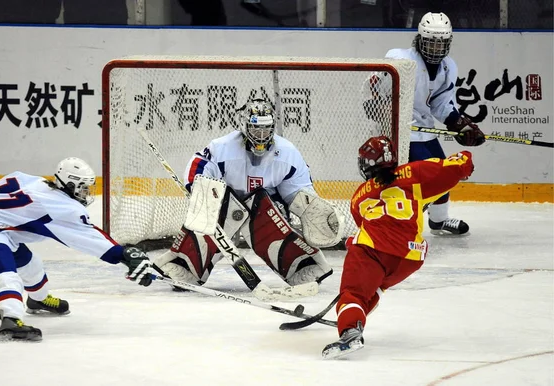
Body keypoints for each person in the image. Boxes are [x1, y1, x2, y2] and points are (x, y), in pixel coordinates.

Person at [154, 99, 345, 288]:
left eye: (266, 129)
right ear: (244, 126)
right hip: (226, 209)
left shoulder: (287, 153)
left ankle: (302, 265)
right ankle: (185, 265)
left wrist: (309, 208)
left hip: (264, 210)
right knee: (207, 214)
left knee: (274, 213)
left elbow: (298, 190)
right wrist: (199, 190)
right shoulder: (223, 147)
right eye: (255, 129)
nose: (261, 135)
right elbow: (199, 165)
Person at [0, 157, 154, 342]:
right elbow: (85, 236)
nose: (87, 193)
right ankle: (10, 320)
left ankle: (39, 300)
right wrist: (121, 254)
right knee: (7, 278)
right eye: (83, 188)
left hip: (1, 230)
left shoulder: (38, 183)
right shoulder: (58, 206)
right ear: (70, 185)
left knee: (31, 265)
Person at [321, 136, 474, 359]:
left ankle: (351, 329)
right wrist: (466, 163)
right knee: (375, 289)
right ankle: (356, 318)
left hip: (372, 250)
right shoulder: (416, 172)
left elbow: (364, 224)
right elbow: (461, 163)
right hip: (410, 257)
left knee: (354, 293)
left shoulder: (359, 195)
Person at [368, 12, 485, 235]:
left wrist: (459, 124)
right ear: (420, 39)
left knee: (445, 172)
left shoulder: (449, 67)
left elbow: (441, 103)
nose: (436, 49)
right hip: (397, 132)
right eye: (431, 43)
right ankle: (399, 220)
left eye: (441, 44)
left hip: (422, 128)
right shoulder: (399, 58)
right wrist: (378, 105)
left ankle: (439, 221)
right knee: (415, 178)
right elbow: (374, 87)